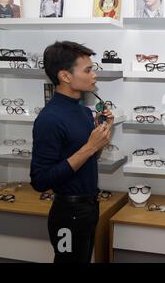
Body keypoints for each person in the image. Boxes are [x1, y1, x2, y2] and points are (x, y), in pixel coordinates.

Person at [30, 41, 114, 263]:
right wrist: (90, 146)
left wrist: (101, 136)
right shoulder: (50, 119)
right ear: (66, 76)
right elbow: (40, 181)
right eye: (87, 70)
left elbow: (88, 159)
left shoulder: (83, 111)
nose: (94, 75)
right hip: (68, 214)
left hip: (88, 207)